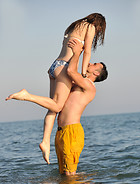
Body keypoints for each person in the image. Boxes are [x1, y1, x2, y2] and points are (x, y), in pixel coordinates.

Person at [5, 40, 108, 175]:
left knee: (69, 175)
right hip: (61, 132)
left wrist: (77, 53)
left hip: (72, 132)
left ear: (96, 73)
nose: (89, 63)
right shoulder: (79, 83)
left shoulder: (89, 86)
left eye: (94, 65)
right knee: (63, 174)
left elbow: (70, 71)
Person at [40, 13, 106, 164]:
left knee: (53, 108)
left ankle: (45, 141)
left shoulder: (74, 26)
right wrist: (83, 74)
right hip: (63, 68)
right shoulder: (90, 27)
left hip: (54, 66)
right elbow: (87, 52)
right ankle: (26, 95)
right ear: (99, 25)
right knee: (56, 105)